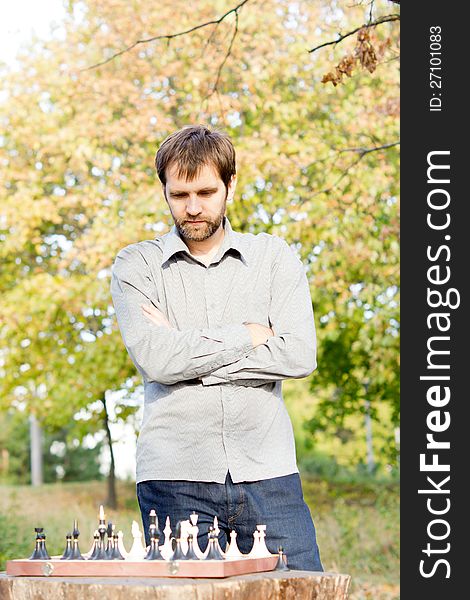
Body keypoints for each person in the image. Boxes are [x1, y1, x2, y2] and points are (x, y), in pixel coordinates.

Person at [110, 125, 323, 571]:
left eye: (206, 191)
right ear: (164, 192)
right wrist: (247, 333)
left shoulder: (273, 257)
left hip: (269, 473)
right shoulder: (137, 265)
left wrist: (191, 358)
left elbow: (300, 354)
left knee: (302, 590)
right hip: (173, 479)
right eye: (178, 194)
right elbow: (157, 359)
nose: (192, 207)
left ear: (231, 184)